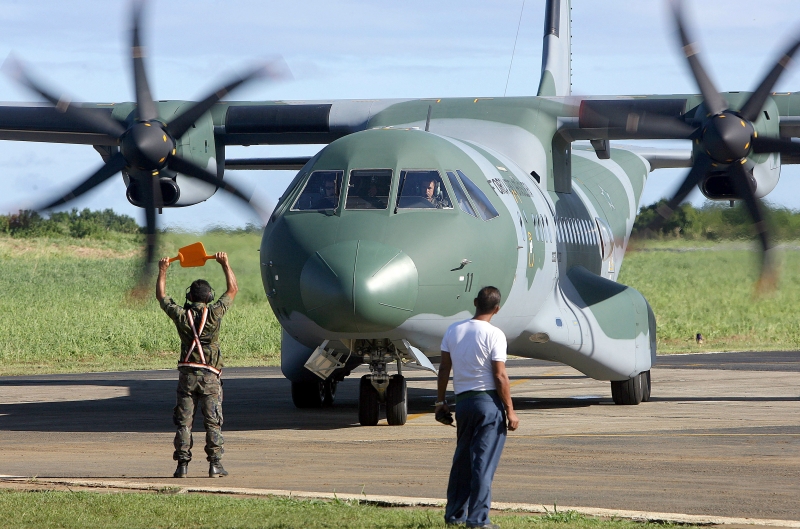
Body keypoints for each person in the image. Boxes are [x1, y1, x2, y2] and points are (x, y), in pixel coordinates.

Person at [436, 286, 519, 529]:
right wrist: (510, 410)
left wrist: (440, 402)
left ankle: (454, 515)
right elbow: (500, 375)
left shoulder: (454, 330)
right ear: (497, 308)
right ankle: (478, 519)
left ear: (475, 302)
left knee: (462, 460)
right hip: (488, 404)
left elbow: (443, 369)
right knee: (483, 462)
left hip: (463, 403)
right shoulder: (495, 334)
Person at [156, 252, 238, 478]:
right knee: (213, 422)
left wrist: (163, 270)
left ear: (190, 296)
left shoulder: (181, 316)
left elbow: (162, 296)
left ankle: (182, 466)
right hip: (210, 378)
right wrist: (225, 263)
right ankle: (215, 465)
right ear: (209, 296)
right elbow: (232, 290)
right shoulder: (213, 315)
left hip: (187, 378)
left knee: (184, 424)